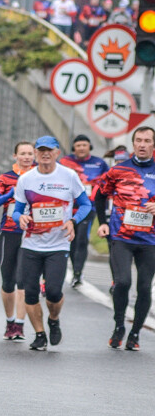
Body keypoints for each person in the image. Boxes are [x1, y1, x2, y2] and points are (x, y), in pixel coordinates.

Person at [12, 136, 92, 351]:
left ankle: (54, 320)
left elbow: (85, 204)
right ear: (36, 154)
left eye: (50, 150)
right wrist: (19, 218)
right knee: (30, 293)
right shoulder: (26, 179)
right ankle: (39, 334)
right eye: (41, 151)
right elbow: (17, 211)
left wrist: (73, 221)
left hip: (58, 245)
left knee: (54, 292)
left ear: (57, 152)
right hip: (31, 244)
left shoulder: (69, 176)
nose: (45, 154)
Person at [94, 126, 155, 350]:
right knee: (122, 283)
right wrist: (102, 223)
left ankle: (135, 333)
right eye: (138, 140)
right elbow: (99, 196)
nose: (142, 144)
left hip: (150, 241)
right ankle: (119, 325)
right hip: (121, 237)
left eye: (147, 141)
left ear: (153, 145)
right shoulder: (119, 170)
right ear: (133, 143)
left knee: (145, 287)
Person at [0, 141, 34, 340]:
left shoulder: (40, 177)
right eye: (22, 153)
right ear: (15, 156)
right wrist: (8, 194)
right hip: (9, 233)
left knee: (23, 281)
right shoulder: (6, 178)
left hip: (32, 234)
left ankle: (20, 325)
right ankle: (9, 321)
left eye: (30, 154)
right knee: (8, 282)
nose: (26, 157)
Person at [59, 134, 108, 287]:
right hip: (67, 208)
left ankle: (78, 273)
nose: (81, 148)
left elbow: (107, 183)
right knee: (71, 241)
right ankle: (73, 270)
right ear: (74, 148)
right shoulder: (64, 162)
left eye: (84, 145)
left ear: (89, 147)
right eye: (78, 145)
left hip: (88, 207)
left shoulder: (99, 163)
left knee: (81, 239)